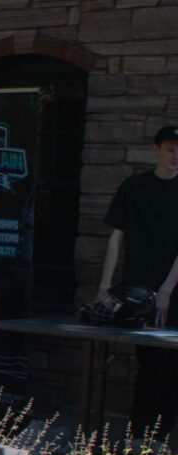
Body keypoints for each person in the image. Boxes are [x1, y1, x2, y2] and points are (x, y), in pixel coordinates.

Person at [97, 125, 178, 436]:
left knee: (171, 364)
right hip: (138, 291)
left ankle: (162, 437)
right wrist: (105, 286)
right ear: (156, 150)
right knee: (150, 363)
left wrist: (168, 289)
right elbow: (116, 236)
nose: (176, 155)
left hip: (172, 288)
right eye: (170, 148)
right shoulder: (134, 187)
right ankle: (141, 437)